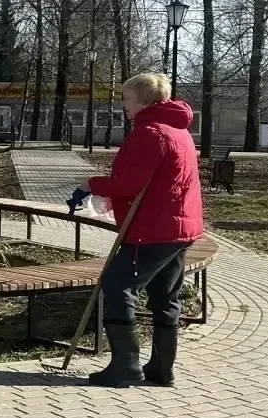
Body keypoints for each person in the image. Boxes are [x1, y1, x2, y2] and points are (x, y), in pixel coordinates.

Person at [70, 73, 203, 388]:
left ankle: (126, 366)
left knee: (118, 287)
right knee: (165, 296)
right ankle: (161, 369)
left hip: (152, 230)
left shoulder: (150, 133)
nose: (124, 105)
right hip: (178, 228)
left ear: (143, 100)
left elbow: (128, 183)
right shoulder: (178, 130)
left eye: (127, 99)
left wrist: (90, 184)